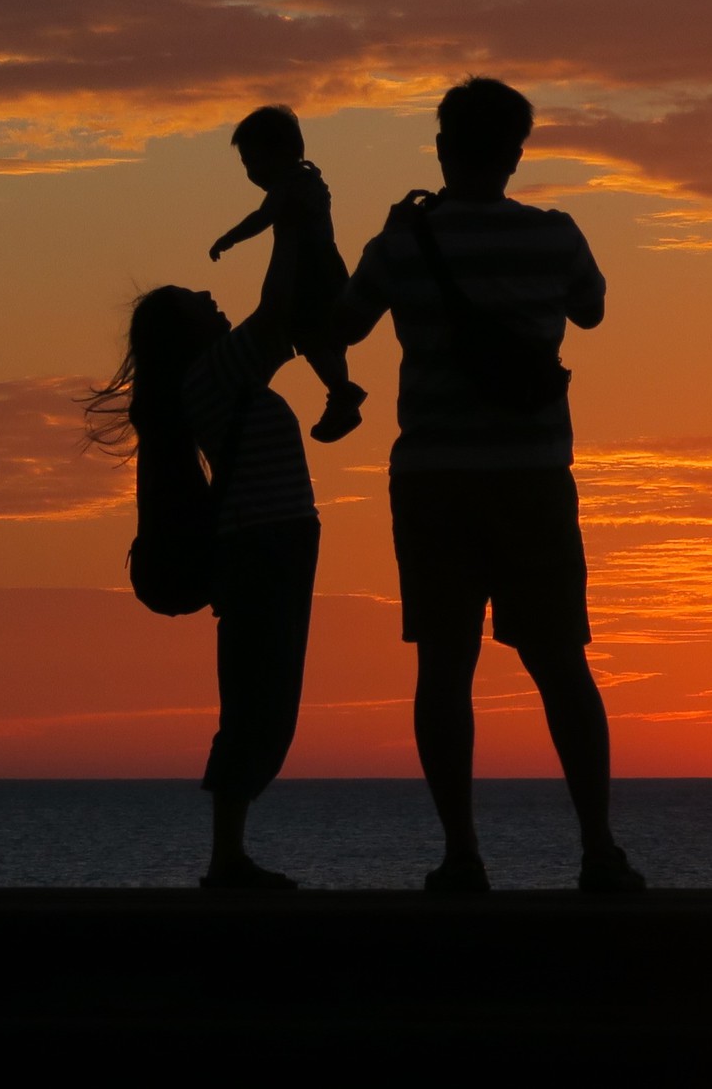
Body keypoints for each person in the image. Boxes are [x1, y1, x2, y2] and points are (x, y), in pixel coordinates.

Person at [338, 77, 643, 893]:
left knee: (443, 668)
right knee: (561, 665)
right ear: (516, 153)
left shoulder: (403, 240)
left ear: (441, 149)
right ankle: (598, 849)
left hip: (433, 478)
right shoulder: (555, 235)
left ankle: (462, 853)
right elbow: (592, 312)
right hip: (534, 477)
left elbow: (342, 321)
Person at [87, 221, 319, 889]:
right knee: (258, 699)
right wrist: (290, 226)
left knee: (264, 697)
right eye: (196, 299)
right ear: (184, 333)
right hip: (263, 546)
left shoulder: (218, 377)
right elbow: (277, 313)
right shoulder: (215, 373)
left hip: (274, 545)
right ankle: (226, 859)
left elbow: (286, 317)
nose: (210, 295)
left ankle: (229, 856)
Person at [210, 105, 368, 443]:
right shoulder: (310, 178)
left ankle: (341, 391)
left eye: (252, 162)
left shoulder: (289, 186)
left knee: (308, 334)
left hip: (308, 275)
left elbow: (262, 218)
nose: (251, 173)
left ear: (279, 154)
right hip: (330, 269)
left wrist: (229, 238)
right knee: (329, 338)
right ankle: (340, 397)